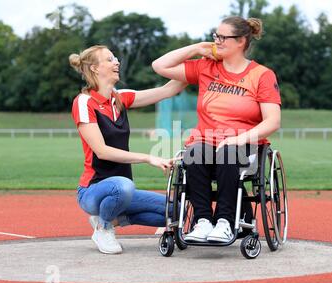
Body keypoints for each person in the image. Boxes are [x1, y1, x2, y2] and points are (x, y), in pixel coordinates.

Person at [152, 16, 282, 243]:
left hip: (244, 144)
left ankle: (224, 221)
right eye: (216, 36)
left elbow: (272, 121)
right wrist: (196, 48)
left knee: (227, 152)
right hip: (205, 141)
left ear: (241, 41)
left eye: (223, 37)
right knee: (193, 152)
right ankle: (202, 221)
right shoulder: (206, 67)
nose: (217, 41)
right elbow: (159, 66)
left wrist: (239, 139)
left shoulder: (261, 75)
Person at [69, 45, 186, 254]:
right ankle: (103, 228)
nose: (117, 62)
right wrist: (148, 158)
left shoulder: (120, 98)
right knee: (123, 186)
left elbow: (169, 90)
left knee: (177, 210)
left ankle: (110, 219)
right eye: (110, 59)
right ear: (95, 68)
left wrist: (201, 62)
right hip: (93, 190)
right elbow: (102, 151)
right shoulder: (84, 102)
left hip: (123, 191)